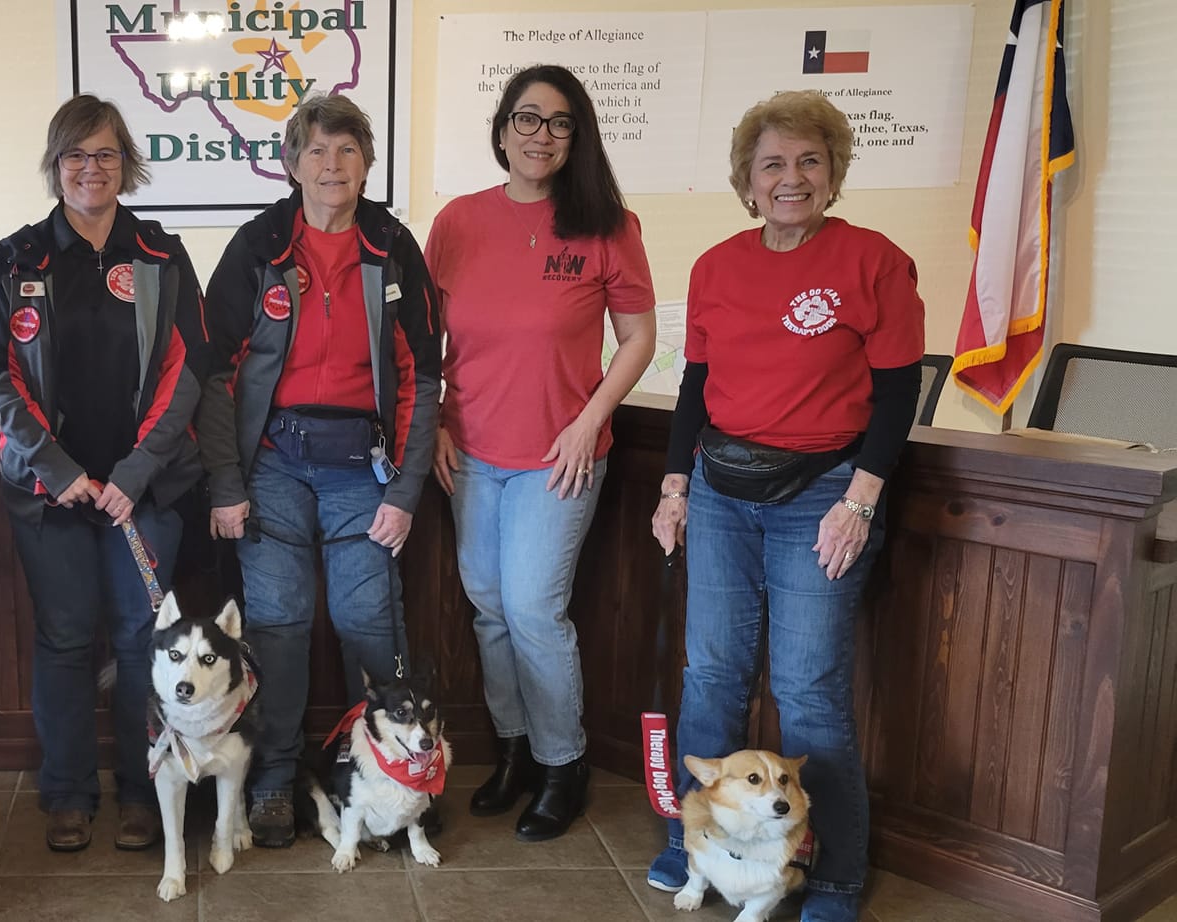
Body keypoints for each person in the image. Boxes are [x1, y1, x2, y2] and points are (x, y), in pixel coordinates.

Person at [644, 90, 925, 922]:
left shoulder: (875, 261)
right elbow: (697, 386)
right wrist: (673, 485)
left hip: (825, 496)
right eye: (772, 164)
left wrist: (863, 500)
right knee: (713, 682)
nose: (790, 179)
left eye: (809, 161)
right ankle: (690, 841)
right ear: (748, 180)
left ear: (833, 173)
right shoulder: (716, 266)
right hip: (723, 493)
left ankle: (832, 874)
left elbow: (897, 390)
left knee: (808, 693)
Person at [193, 92, 441, 848]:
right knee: (279, 625)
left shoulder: (393, 245)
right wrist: (227, 484)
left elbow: (421, 378)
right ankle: (272, 781)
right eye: (317, 151)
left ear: (367, 164)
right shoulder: (259, 246)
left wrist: (403, 493)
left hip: (362, 469)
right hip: (271, 467)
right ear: (292, 162)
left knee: (369, 620)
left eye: (348, 151)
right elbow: (214, 373)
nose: (332, 165)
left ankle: (399, 781)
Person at [425, 64, 657, 842]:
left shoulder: (608, 225)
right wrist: (437, 423)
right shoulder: (457, 221)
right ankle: (516, 751)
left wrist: (590, 420)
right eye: (527, 119)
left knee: (532, 609)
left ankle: (565, 763)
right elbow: (426, 342)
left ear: (577, 135)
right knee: (489, 610)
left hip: (559, 456)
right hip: (471, 451)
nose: (541, 135)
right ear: (501, 131)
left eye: (559, 122)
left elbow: (638, 339)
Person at [0, 95, 203, 854]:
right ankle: (67, 794)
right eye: (75, 154)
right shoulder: (17, 257)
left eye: (105, 154)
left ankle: (143, 791)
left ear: (126, 163)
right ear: (55, 164)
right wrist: (58, 468)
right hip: (54, 494)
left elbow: (189, 372)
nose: (90, 168)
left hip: (147, 491)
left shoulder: (163, 256)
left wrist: (134, 472)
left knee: (143, 639)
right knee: (67, 638)